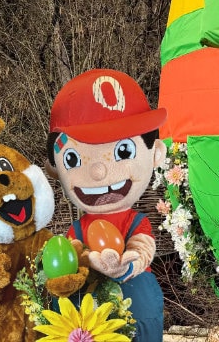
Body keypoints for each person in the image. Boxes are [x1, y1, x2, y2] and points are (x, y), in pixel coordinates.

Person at [46, 68, 167, 342]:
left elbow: (143, 247)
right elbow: (71, 254)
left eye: (123, 151)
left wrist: (127, 263)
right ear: (55, 168)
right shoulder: (77, 229)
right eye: (74, 160)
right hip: (87, 317)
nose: (99, 172)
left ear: (155, 153)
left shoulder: (136, 221)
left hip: (137, 303)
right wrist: (84, 260)